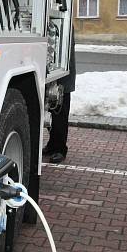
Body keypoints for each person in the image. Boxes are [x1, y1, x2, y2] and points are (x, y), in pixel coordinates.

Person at [43, 28, 76, 164]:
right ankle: (52, 144)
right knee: (51, 114)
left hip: (62, 79)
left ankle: (60, 149)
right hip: (52, 79)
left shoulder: (64, 27)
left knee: (59, 116)